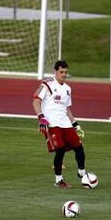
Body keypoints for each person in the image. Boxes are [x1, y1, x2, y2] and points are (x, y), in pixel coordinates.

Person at [32, 60, 86, 188]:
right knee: (60, 150)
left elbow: (66, 108)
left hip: (65, 123)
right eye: (61, 72)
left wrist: (75, 124)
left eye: (66, 72)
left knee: (79, 147)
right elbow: (36, 101)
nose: (63, 74)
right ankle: (58, 180)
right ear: (55, 72)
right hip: (51, 123)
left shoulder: (67, 89)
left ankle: (82, 173)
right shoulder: (47, 84)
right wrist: (41, 118)